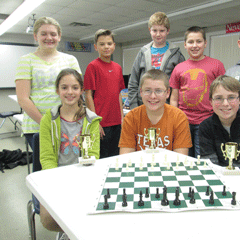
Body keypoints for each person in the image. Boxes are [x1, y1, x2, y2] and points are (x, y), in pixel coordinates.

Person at [39, 68, 101, 238]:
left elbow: (93, 155)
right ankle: (68, 232)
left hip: (83, 178)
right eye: (64, 87)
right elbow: (47, 157)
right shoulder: (48, 119)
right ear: (57, 90)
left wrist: (79, 182)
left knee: (93, 212)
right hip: (56, 178)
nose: (69, 92)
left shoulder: (91, 120)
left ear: (81, 90)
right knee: (48, 219)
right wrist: (59, 181)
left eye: (74, 87)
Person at [15, 16, 81, 150]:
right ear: (35, 36)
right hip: (37, 126)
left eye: (53, 34)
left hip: (67, 124)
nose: (48, 38)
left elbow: (77, 92)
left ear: (59, 36)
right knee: (46, 166)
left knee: (68, 165)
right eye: (43, 34)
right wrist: (48, 125)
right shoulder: (26, 61)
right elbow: (23, 99)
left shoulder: (70, 60)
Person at [170, 26, 225, 158]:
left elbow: (222, 95)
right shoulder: (178, 68)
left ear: (205, 43)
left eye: (199, 41)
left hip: (207, 120)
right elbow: (174, 98)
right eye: (190, 42)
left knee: (203, 158)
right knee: (184, 158)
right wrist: (174, 119)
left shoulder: (216, 65)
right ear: (185, 45)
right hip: (183, 121)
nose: (195, 45)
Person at [119, 69, 192, 155]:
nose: (153, 96)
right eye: (148, 90)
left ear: (168, 93)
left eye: (158, 91)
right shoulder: (131, 117)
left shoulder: (179, 117)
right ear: (141, 92)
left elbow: (180, 159)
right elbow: (125, 157)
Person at [128, 12, 185, 109]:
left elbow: (182, 86)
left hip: (167, 106)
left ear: (168, 31)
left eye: (162, 30)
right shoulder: (142, 53)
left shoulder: (176, 55)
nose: (158, 34)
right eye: (154, 30)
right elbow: (133, 82)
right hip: (143, 105)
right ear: (150, 30)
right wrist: (134, 107)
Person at [84, 29, 125, 158]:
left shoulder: (118, 67)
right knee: (102, 157)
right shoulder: (93, 66)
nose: (106, 47)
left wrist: (122, 117)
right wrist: (95, 121)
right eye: (102, 44)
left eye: (109, 43)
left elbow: (118, 94)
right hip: (101, 123)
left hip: (116, 122)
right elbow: (88, 95)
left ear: (114, 45)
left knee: (115, 156)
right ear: (96, 47)